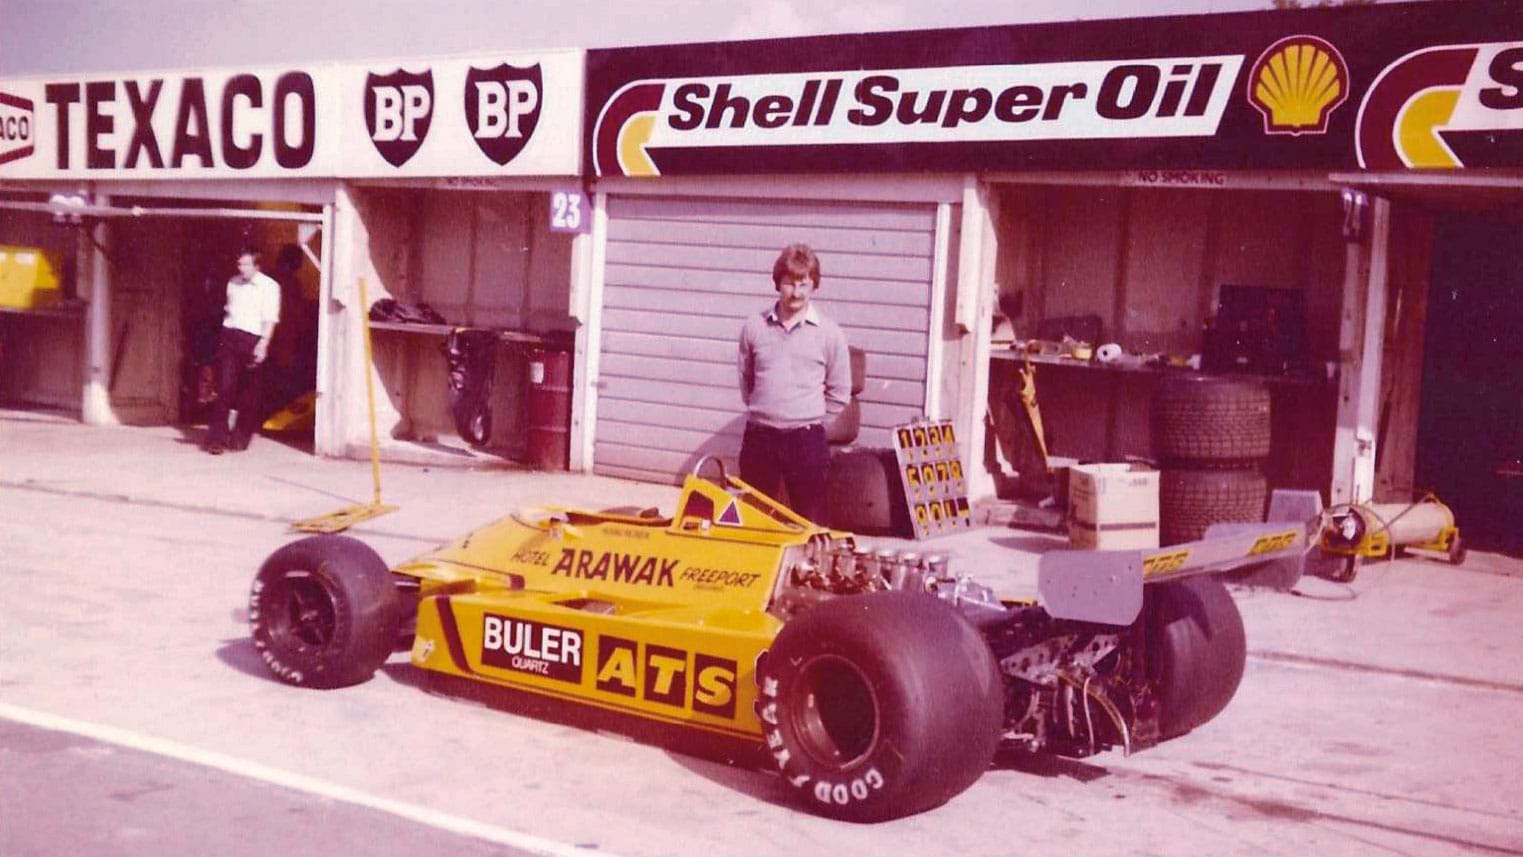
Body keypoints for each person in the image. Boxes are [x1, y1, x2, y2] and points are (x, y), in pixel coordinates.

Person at [736, 243, 851, 523]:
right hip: (760, 438)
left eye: (803, 284)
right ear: (778, 284)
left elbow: (840, 391)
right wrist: (767, 410)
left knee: (810, 521)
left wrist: (811, 422)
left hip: (806, 440)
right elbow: (746, 378)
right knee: (753, 518)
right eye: (789, 284)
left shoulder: (830, 333)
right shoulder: (754, 327)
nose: (796, 293)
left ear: (814, 286)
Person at [203, 247, 281, 454]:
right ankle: (217, 439)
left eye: (246, 264)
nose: (241, 268)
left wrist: (263, 345)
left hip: (253, 339)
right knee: (226, 387)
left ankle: (240, 436)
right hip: (230, 336)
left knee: (249, 392)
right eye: (239, 264)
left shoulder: (270, 287)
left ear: (257, 265)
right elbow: (229, 308)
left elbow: (270, 319)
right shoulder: (233, 283)